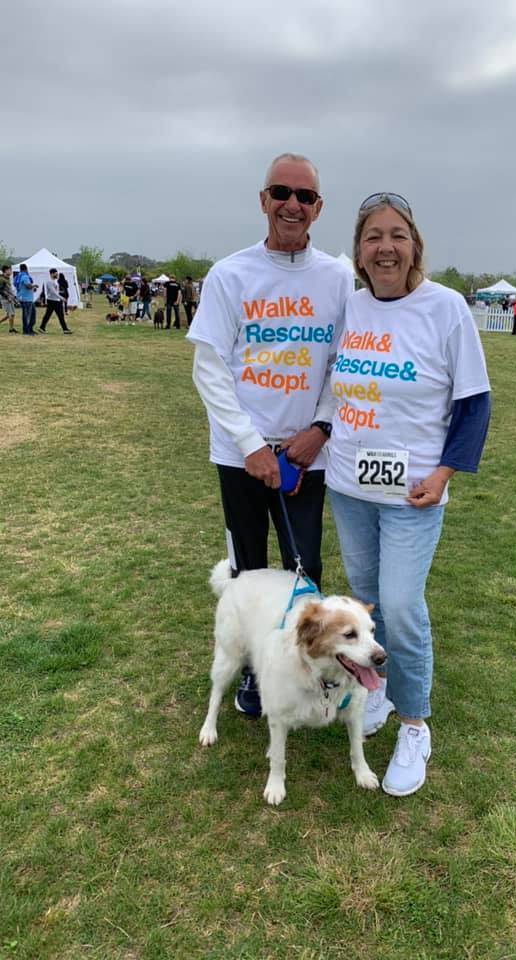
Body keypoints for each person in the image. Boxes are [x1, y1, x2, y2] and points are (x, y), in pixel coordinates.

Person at [325, 192, 491, 797]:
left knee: (401, 605)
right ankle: (377, 694)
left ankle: (414, 723)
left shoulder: (444, 307)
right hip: (348, 485)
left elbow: (474, 402)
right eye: (373, 237)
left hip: (414, 493)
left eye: (397, 235)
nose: (385, 247)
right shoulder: (352, 306)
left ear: (414, 245)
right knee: (366, 604)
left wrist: (444, 474)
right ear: (360, 252)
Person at [187, 152, 353, 715]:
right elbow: (209, 367)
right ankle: (256, 673)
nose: (292, 204)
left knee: (305, 567)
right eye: (281, 192)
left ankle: (309, 670)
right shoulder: (230, 274)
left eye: (304, 197)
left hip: (308, 455)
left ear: (318, 209)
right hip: (240, 456)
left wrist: (321, 428)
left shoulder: (337, 276)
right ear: (263, 200)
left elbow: (343, 365)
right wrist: (250, 444)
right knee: (248, 571)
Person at [39, 268, 72, 334]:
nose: (57, 275)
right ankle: (65, 329)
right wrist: (62, 298)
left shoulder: (55, 281)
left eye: (57, 274)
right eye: (56, 274)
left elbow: (56, 291)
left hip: (56, 300)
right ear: (52, 274)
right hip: (52, 301)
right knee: (51, 315)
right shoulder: (49, 282)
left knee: (57, 315)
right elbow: (53, 292)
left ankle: (42, 328)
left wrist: (61, 294)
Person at [14, 264, 38, 335]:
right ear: (26, 269)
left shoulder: (18, 276)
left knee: (31, 314)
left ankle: (30, 329)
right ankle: (26, 331)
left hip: (25, 298)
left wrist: (32, 288)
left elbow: (23, 287)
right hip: (26, 299)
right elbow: (28, 286)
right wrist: (34, 285)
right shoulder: (24, 276)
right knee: (27, 316)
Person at [0, 264, 18, 333]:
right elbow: (1, 290)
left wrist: (13, 297)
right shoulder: (2, 279)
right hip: (5, 299)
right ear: (5, 271)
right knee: (11, 314)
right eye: (9, 270)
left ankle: (11, 328)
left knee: (10, 315)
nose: (10, 271)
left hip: (10, 298)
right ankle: (11, 329)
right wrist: (7, 297)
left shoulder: (8, 278)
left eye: (10, 270)